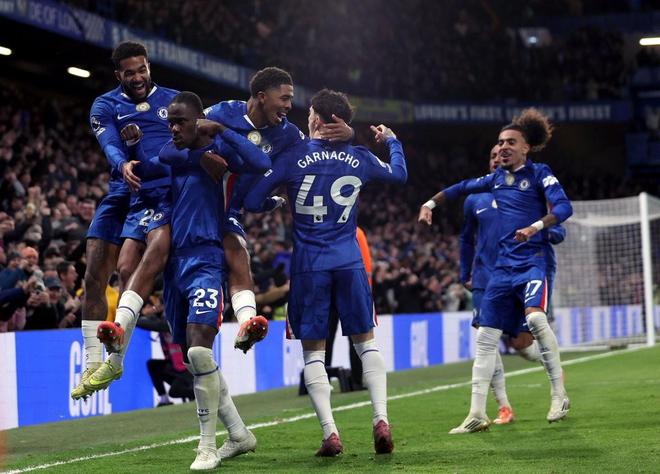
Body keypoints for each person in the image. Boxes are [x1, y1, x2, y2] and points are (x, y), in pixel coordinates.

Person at [244, 89, 406, 456]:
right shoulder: (360, 157)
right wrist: (393, 141)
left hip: (309, 266)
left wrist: (275, 201)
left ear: (317, 119)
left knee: (314, 353)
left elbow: (252, 200)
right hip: (349, 260)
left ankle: (331, 433)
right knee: (366, 344)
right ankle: (381, 419)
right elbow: (399, 174)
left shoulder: (291, 156)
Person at [418, 108, 572, 432]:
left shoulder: (540, 173)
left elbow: (564, 207)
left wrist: (536, 227)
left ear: (526, 147)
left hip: (533, 262)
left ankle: (559, 394)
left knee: (535, 321)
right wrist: (430, 204)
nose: (502, 147)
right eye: (500, 142)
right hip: (500, 270)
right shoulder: (494, 181)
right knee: (485, 338)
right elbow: (460, 188)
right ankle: (477, 413)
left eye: (510, 142)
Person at [199, 67, 353, 353]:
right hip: (192, 207)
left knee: (239, 252)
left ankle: (247, 322)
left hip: (228, 212)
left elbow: (318, 154)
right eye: (284, 98)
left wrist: (348, 135)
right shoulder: (221, 112)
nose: (289, 105)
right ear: (261, 97)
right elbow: (180, 129)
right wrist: (202, 156)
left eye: (290, 99)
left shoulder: (288, 134)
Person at [161, 91, 268, 470]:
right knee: (194, 361)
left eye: (180, 122)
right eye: (170, 123)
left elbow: (260, 162)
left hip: (208, 257)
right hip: (173, 265)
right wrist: (196, 157)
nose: (173, 129)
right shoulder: (176, 153)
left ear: (199, 121)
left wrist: (221, 131)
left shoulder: (222, 152)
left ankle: (206, 446)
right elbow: (161, 156)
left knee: (199, 351)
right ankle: (238, 434)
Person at [71, 41, 178, 400]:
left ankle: (116, 358)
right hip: (122, 190)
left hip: (161, 194)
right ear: (118, 74)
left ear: (149, 67)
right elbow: (109, 144)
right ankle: (92, 364)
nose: (137, 77)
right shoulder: (105, 105)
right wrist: (122, 163)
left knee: (128, 271)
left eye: (141, 69)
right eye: (129, 73)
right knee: (94, 273)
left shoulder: (173, 100)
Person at [459, 145, 566, 425]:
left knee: (522, 343)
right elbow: (466, 238)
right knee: (486, 339)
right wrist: (464, 273)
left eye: (501, 155)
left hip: (521, 271)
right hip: (486, 277)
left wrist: (546, 232)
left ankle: (552, 367)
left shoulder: (526, 191)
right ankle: (502, 406)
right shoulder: (475, 199)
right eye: (492, 155)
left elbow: (557, 226)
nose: (497, 159)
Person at [324, 226, 372, 390]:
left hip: (329, 292)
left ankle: (322, 380)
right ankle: (357, 380)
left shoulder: (323, 230)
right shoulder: (357, 232)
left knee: (326, 339)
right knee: (357, 337)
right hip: (351, 292)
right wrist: (366, 294)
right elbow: (366, 266)